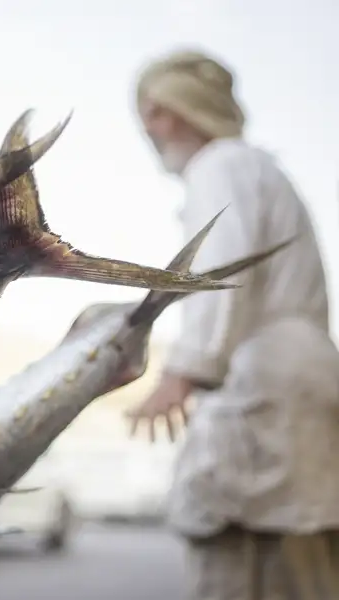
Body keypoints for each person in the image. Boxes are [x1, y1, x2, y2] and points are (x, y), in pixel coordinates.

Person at [126, 48, 339, 599]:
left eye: (154, 110)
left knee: (237, 564)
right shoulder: (254, 167)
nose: (148, 127)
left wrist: (186, 368)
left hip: (262, 388)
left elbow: (222, 267)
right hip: (293, 387)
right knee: (302, 567)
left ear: (181, 109)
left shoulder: (221, 164)